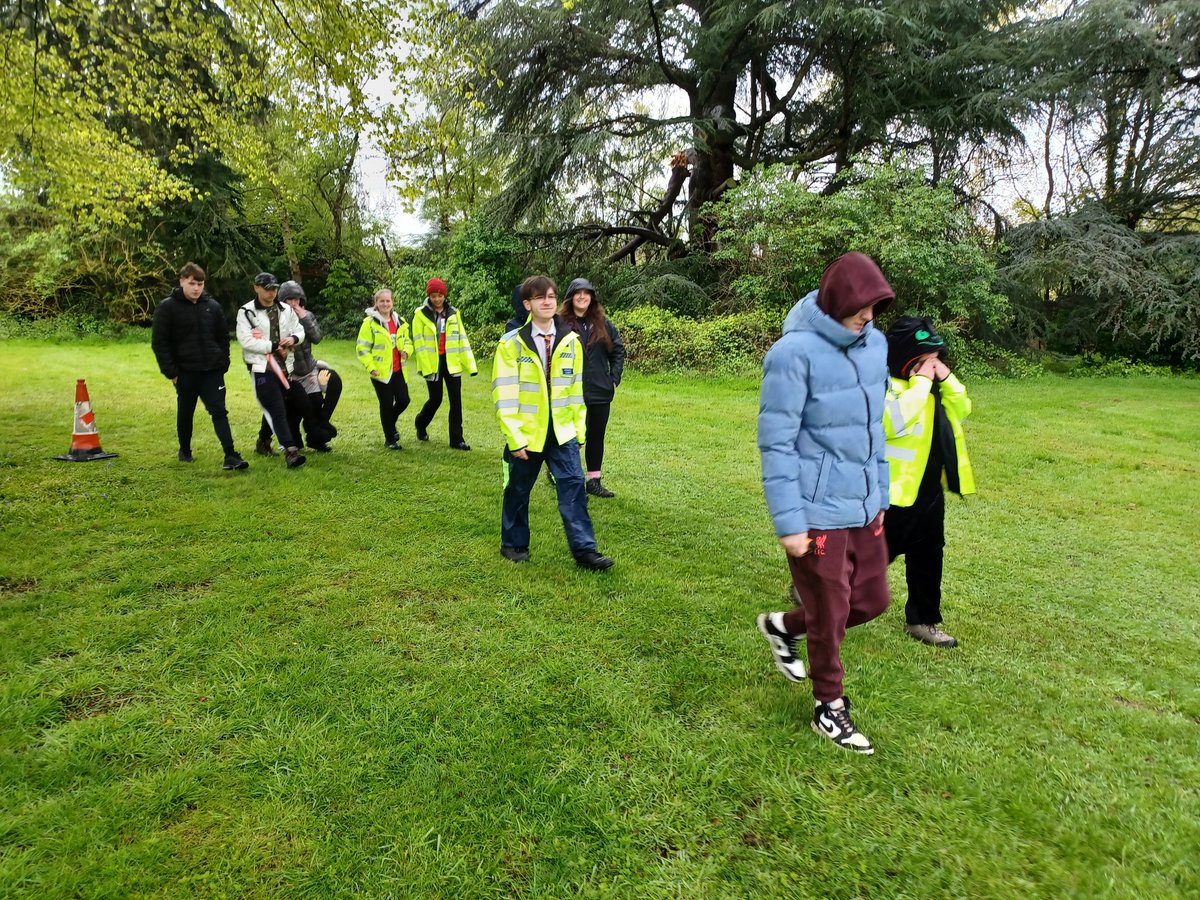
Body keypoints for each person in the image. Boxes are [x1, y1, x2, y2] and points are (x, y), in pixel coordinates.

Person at [755, 251, 894, 755]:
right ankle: (829, 708)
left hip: (864, 505)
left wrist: (880, 496)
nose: (869, 318)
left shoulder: (874, 345)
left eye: (876, 308)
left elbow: (874, 429)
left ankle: (782, 626)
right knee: (831, 609)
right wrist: (791, 523)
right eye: (863, 307)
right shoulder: (792, 354)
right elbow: (777, 443)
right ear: (839, 301)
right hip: (815, 512)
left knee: (872, 602)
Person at [492, 275, 614, 570]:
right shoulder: (511, 344)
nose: (547, 301)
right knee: (519, 490)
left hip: (562, 432)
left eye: (551, 296)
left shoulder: (570, 341)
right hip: (528, 434)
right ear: (527, 304)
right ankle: (514, 543)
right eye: (539, 297)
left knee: (573, 487)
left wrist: (579, 429)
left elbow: (575, 390)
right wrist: (515, 437)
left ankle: (585, 550)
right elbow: (505, 394)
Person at [882, 317, 976, 648]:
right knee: (872, 556)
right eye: (923, 361)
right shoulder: (888, 386)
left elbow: (962, 406)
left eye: (936, 359)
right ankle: (818, 590)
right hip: (893, 493)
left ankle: (923, 620)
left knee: (928, 556)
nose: (931, 367)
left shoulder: (937, 388)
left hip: (929, 491)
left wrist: (945, 377)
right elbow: (893, 422)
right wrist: (921, 383)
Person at [150, 262, 249, 470]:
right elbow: (160, 343)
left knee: (219, 411)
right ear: (182, 281)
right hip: (184, 373)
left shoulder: (212, 307)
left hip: (212, 371)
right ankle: (184, 451)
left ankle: (230, 455)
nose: (196, 288)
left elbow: (223, 337)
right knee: (186, 412)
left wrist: (223, 363)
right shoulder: (167, 308)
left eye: (200, 284)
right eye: (192, 283)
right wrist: (172, 373)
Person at [559, 278, 625, 497]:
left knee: (596, 435)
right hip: (570, 391)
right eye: (578, 293)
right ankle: (565, 477)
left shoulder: (603, 323)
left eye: (587, 293)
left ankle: (594, 481)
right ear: (571, 297)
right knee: (571, 436)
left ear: (592, 297)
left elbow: (618, 350)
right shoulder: (560, 323)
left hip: (599, 390)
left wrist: (613, 378)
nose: (582, 297)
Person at [235, 272, 307, 469]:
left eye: (274, 289)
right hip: (261, 368)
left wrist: (293, 339)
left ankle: (263, 441)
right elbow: (246, 341)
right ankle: (291, 451)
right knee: (276, 406)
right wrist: (274, 345)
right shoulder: (246, 312)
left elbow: (299, 330)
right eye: (267, 289)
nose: (271, 292)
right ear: (256, 288)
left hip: (285, 367)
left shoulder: (286, 310)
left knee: (298, 401)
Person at [412, 277, 477, 450]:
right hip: (433, 363)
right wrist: (425, 367)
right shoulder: (420, 315)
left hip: (452, 362)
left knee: (456, 401)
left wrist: (471, 365)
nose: (437, 299)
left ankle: (457, 439)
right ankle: (421, 423)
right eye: (433, 296)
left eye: (440, 295)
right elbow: (419, 343)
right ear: (429, 296)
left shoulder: (454, 313)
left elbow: (462, 339)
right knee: (436, 399)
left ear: (444, 295)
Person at [275, 280, 340, 453]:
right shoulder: (278, 319)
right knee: (295, 409)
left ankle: (317, 435)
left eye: (297, 299)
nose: (294, 303)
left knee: (319, 398)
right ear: (282, 300)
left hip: (310, 368)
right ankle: (294, 440)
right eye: (289, 300)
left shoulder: (307, 315)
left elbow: (317, 338)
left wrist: (304, 318)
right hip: (291, 373)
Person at [356, 288, 413, 450]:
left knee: (404, 400)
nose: (385, 304)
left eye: (388, 301)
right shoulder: (370, 323)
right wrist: (371, 367)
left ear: (392, 303)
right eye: (382, 301)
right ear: (376, 304)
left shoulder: (400, 321)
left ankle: (390, 422)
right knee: (386, 404)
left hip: (398, 370)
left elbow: (408, 342)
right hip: (380, 373)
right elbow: (362, 349)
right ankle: (390, 439)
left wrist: (406, 351)